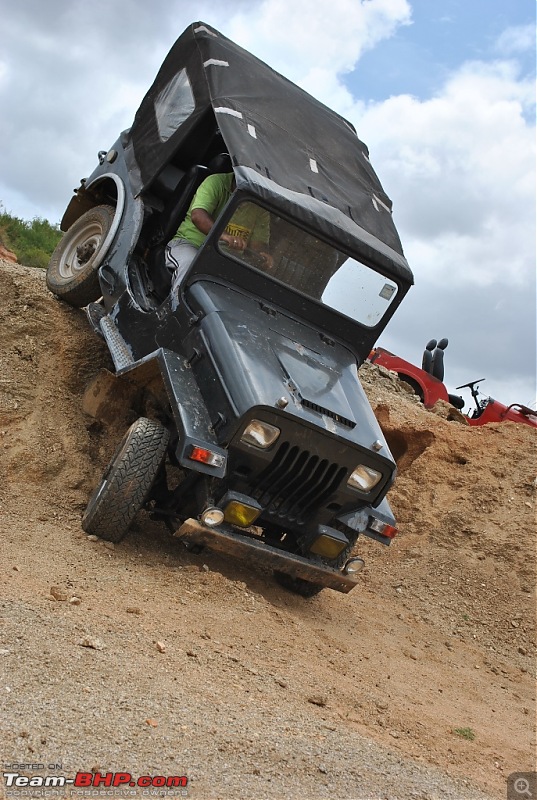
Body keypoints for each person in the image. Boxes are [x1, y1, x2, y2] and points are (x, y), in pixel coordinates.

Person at [165, 172, 271, 294]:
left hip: (227, 259)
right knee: (190, 266)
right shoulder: (216, 182)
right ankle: (175, 307)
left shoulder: (261, 206)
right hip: (191, 246)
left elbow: (257, 246)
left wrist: (263, 257)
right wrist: (224, 236)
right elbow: (198, 215)